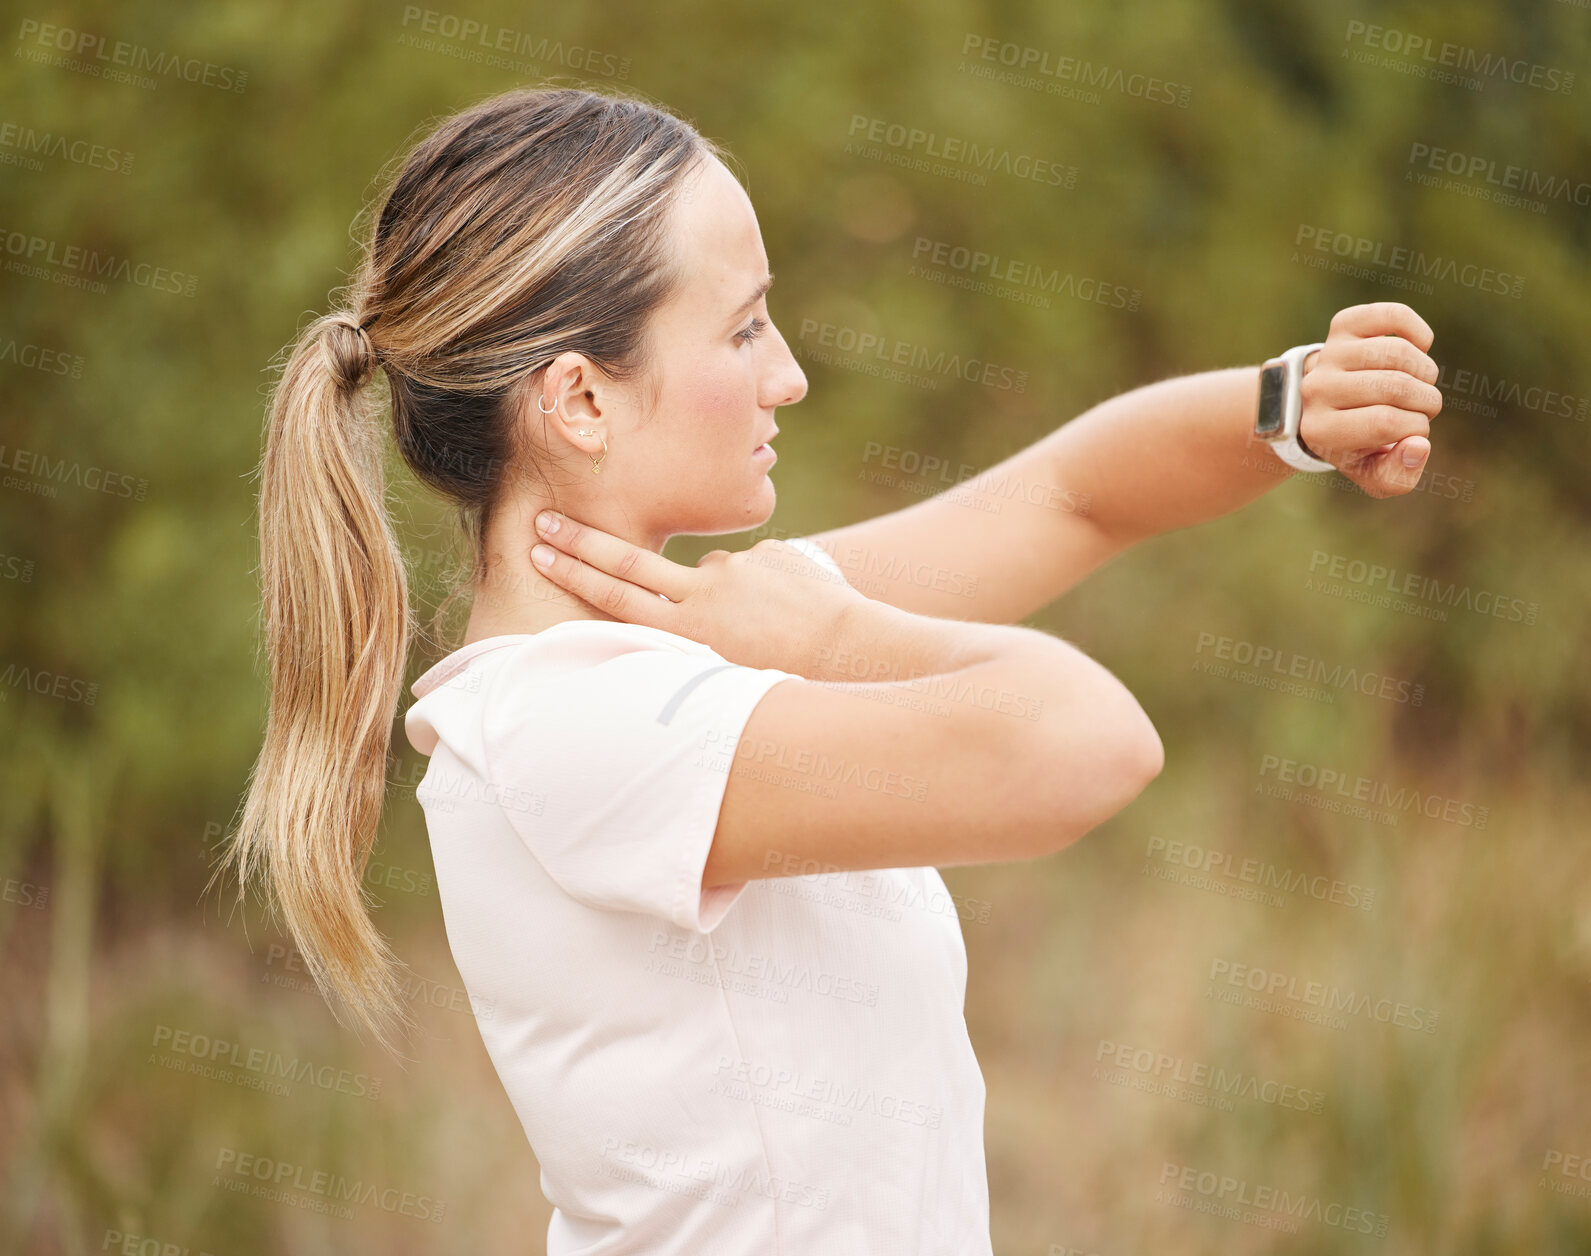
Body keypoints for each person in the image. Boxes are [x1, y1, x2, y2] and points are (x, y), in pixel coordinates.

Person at [217, 83, 1441, 1254]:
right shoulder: (577, 726)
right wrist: (835, 642)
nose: (787, 372)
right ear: (578, 398)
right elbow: (1088, 744)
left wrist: (1294, 405)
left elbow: (1074, 497)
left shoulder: (698, 636)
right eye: (742, 325)